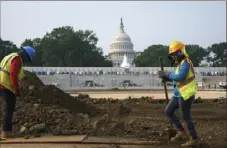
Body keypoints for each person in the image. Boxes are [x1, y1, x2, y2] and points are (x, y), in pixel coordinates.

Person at [157, 40, 198, 147]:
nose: (173, 57)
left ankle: (194, 139)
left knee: (186, 116)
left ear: (180, 52)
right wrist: (168, 79)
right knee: (168, 111)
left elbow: (180, 77)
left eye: (174, 54)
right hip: (178, 93)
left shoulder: (186, 63)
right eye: (172, 55)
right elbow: (177, 79)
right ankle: (182, 132)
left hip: (186, 94)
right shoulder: (180, 65)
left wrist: (167, 74)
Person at [0, 46, 35, 140]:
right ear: (26, 55)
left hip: (1, 83)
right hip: (6, 86)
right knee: (9, 109)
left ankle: (4, 132)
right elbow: (13, 75)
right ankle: (5, 133)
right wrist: (17, 89)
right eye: (28, 59)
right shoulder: (17, 59)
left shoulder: (10, 56)